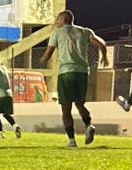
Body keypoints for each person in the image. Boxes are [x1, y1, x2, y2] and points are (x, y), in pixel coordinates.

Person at [41, 10, 107, 147]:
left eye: (58, 19)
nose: (57, 22)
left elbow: (48, 55)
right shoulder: (85, 31)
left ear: (63, 19)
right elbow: (101, 44)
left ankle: (72, 141)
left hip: (66, 72)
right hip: (82, 72)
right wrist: (104, 57)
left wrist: (41, 61)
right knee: (79, 103)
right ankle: (89, 125)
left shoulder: (57, 33)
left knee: (66, 108)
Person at [0, 56, 21, 139]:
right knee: (5, 114)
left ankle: (0, 134)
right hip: (8, 94)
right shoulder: (3, 68)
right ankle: (15, 126)